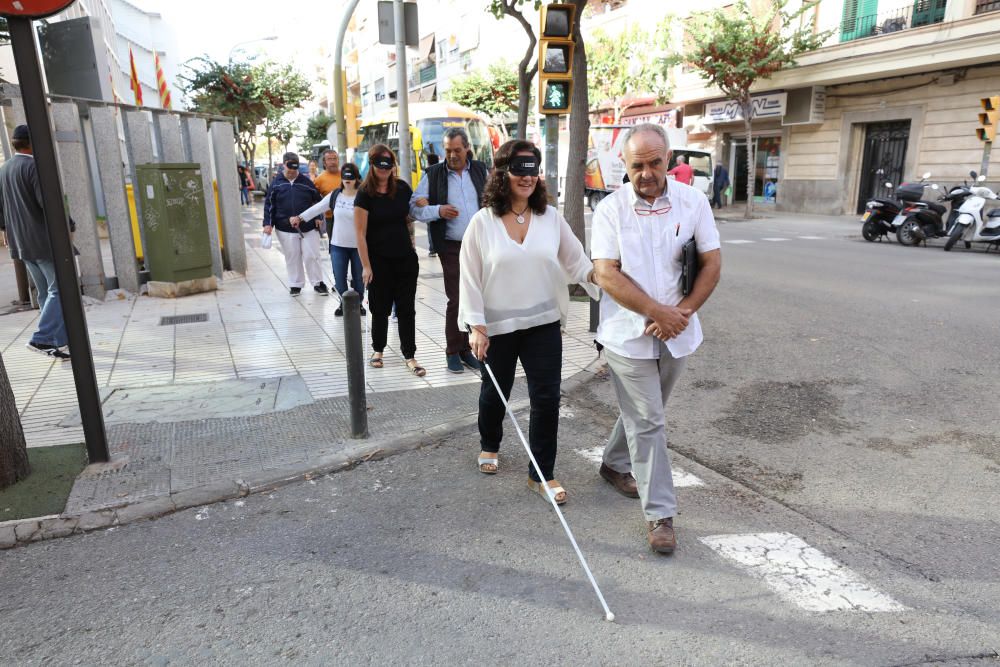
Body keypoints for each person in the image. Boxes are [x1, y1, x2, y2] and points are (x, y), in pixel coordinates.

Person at [590, 123, 721, 554]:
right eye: (637, 165)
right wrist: (655, 312)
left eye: (654, 162)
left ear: (669, 158)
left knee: (646, 413)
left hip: (677, 332)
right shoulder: (610, 210)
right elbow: (606, 273)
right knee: (649, 420)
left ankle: (613, 463)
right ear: (624, 166)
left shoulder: (693, 202)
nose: (646, 173)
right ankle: (660, 515)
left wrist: (680, 314)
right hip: (628, 336)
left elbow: (711, 263)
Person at [459, 139, 597, 505]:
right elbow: (469, 276)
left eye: (533, 169)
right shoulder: (482, 222)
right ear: (502, 173)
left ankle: (542, 474)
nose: (527, 177)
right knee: (494, 394)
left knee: (547, 398)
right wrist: (476, 326)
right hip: (498, 328)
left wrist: (608, 278)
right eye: (519, 169)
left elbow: (578, 262)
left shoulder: (550, 218)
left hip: (543, 323)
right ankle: (490, 443)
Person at [410, 127, 487, 374]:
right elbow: (414, 207)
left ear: (467, 149)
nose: (452, 155)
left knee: (479, 298)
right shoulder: (433, 174)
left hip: (482, 245)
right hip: (452, 246)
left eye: (457, 150)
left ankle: (468, 349)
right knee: (457, 298)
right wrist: (437, 210)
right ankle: (453, 351)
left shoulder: (480, 170)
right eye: (447, 150)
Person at [355, 144, 426, 376]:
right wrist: (366, 266)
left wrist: (413, 241)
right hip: (378, 261)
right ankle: (378, 350)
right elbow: (360, 233)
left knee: (407, 309)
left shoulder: (403, 188)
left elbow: (409, 217)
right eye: (379, 165)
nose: (384, 170)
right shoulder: (364, 193)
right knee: (380, 307)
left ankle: (410, 354)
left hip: (404, 259)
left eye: (388, 165)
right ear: (372, 165)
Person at [0, 124, 70, 360]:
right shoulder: (34, 167)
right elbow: (49, 204)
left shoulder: (5, 168)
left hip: (21, 242)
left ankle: (58, 341)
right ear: (33, 143)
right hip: (42, 241)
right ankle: (42, 338)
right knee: (60, 288)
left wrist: (6, 231)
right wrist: (68, 225)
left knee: (45, 292)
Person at [293, 163, 365, 317]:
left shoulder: (363, 196)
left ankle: (358, 304)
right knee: (339, 277)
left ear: (356, 178)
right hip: (338, 245)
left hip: (359, 246)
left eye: (351, 177)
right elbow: (318, 207)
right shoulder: (335, 195)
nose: (348, 181)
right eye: (345, 177)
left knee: (359, 277)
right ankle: (343, 303)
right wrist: (300, 218)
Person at [262, 152, 330, 297]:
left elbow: (317, 201)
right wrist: (267, 224)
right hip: (285, 227)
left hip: (308, 226)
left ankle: (318, 282)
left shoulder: (306, 182)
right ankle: (295, 284)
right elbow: (269, 205)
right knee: (292, 256)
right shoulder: (276, 183)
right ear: (284, 165)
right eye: (289, 167)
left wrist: (318, 216)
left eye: (295, 167)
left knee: (312, 255)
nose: (292, 171)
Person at [313, 149, 342, 236]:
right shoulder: (319, 180)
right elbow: (314, 200)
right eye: (329, 159)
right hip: (331, 218)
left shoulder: (347, 174)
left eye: (335, 158)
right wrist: (317, 217)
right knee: (333, 246)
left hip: (350, 216)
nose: (333, 162)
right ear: (324, 163)